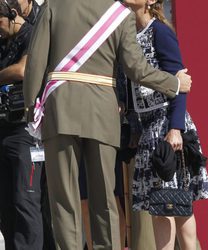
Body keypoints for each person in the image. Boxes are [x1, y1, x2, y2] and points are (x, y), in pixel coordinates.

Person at [23, 0, 191, 249]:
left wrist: (31, 110)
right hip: (102, 113)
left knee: (64, 201)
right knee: (104, 198)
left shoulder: (54, 6)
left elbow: (35, 63)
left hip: (60, 111)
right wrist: (173, 84)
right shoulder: (119, 14)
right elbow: (137, 68)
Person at [122, 0, 208, 249]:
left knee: (177, 201)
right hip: (147, 128)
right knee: (161, 203)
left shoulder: (160, 31)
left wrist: (175, 128)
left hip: (167, 125)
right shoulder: (128, 35)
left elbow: (180, 85)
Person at [0, 0, 44, 249]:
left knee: (24, 200)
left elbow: (22, 70)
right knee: (6, 203)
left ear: (12, 14)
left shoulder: (32, 33)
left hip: (26, 132)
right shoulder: (2, 40)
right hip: (3, 130)